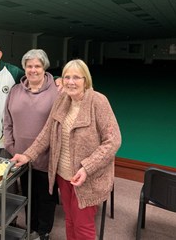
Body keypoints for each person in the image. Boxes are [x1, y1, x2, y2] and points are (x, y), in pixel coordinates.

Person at [11, 59, 122, 240]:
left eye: (76, 77)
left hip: (87, 178)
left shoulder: (98, 101)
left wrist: (87, 167)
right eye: (67, 77)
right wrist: (27, 155)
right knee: (70, 220)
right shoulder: (62, 99)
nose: (71, 82)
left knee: (83, 226)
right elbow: (47, 132)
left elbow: (113, 140)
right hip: (63, 174)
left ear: (86, 80)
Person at [4, 49, 59, 240]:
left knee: (46, 197)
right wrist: (10, 145)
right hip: (21, 156)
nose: (33, 70)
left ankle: (44, 232)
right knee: (28, 194)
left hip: (47, 157)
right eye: (29, 66)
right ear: (24, 68)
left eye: (37, 65)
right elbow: (7, 120)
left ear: (44, 67)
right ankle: (31, 228)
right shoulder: (15, 91)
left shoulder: (57, 91)